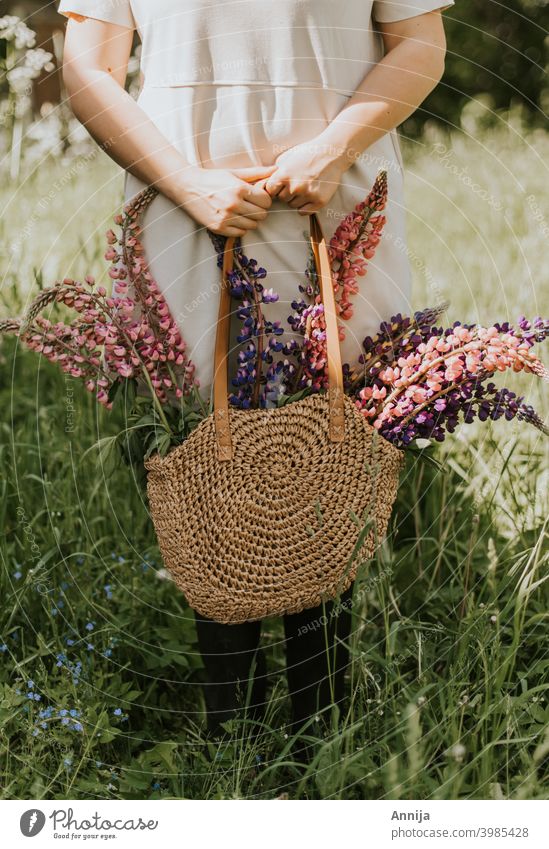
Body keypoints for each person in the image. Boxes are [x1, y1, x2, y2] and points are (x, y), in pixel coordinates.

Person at [58, 0, 452, 753]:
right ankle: (230, 737)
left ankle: (319, 735)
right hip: (183, 211)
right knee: (208, 455)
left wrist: (333, 148)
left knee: (332, 453)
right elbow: (89, 68)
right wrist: (184, 182)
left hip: (339, 207)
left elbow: (419, 42)